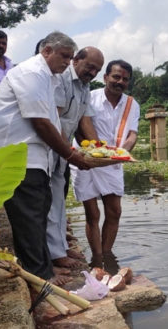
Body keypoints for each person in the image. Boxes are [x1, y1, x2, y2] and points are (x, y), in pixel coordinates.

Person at [0, 31, 92, 284]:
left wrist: (78, 151)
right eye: (64, 56)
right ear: (47, 51)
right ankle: (40, 275)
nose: (66, 62)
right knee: (28, 216)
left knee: (39, 210)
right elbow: (40, 123)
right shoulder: (32, 73)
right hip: (15, 154)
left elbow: (53, 120)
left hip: (32, 156)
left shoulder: (47, 77)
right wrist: (70, 155)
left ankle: (44, 267)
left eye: (70, 57)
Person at [72, 60, 140, 260]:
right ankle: (98, 258)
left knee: (114, 212)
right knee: (92, 215)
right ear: (106, 77)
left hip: (113, 162)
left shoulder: (131, 104)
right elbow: (78, 128)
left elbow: (132, 135)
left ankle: (107, 255)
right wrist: (91, 154)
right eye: (116, 77)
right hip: (87, 162)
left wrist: (120, 153)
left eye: (125, 79)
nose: (120, 82)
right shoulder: (89, 97)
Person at [46, 47, 104, 269]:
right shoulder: (61, 79)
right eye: (89, 67)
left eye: (97, 70)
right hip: (50, 146)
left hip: (63, 148)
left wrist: (100, 152)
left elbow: (84, 121)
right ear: (76, 60)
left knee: (59, 200)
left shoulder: (85, 86)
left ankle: (60, 247)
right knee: (50, 201)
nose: (92, 73)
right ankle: (55, 253)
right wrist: (71, 153)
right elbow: (54, 120)